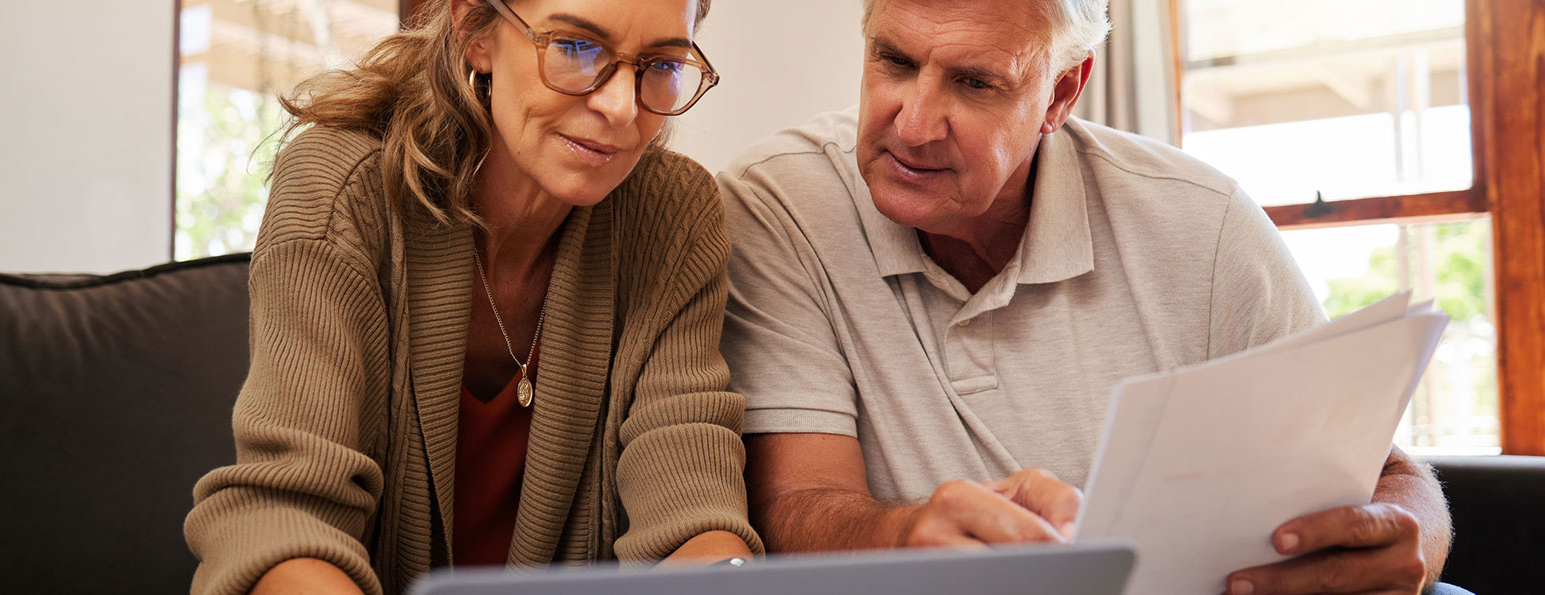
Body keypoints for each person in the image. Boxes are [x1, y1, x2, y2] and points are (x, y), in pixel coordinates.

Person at [718, 0, 1458, 593]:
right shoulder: (781, 206)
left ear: (1060, 94)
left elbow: (1387, 473)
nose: (912, 124)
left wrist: (1411, 536)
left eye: (975, 82)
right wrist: (907, 540)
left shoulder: (1203, 221)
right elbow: (795, 507)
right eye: (894, 60)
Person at [184, 1, 760, 593]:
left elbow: (689, 497)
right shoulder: (341, 185)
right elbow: (285, 516)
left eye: (661, 64)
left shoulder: (674, 215)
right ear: (474, 31)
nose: (620, 107)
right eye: (576, 48)